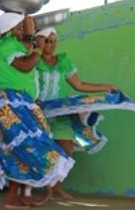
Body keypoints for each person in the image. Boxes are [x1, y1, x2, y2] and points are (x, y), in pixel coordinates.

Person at [0, 13, 75, 209]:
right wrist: (37, 47)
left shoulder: (10, 46)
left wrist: (31, 34)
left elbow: (27, 49)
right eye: (19, 27)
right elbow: (25, 65)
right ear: (10, 29)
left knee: (21, 149)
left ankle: (19, 196)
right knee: (22, 148)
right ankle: (14, 198)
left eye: (23, 27)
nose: (23, 31)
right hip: (12, 103)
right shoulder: (7, 46)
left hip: (18, 102)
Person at [35, 26, 118, 200]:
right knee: (44, 151)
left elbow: (79, 85)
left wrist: (105, 87)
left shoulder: (63, 61)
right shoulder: (33, 61)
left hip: (61, 112)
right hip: (40, 113)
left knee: (66, 149)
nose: (52, 45)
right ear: (40, 42)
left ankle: (56, 185)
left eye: (54, 40)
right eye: (48, 41)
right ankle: (47, 189)